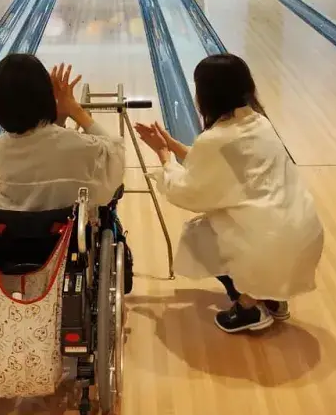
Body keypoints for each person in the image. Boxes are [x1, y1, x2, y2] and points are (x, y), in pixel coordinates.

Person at [135, 54, 325, 334]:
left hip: (270, 245)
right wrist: (173, 145)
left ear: (206, 96)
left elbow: (187, 192)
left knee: (199, 235)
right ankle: (271, 296)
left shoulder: (216, 139)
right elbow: (222, 166)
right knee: (245, 227)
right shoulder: (259, 123)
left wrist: (164, 156)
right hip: (305, 234)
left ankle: (249, 306)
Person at [0, 54, 125, 211]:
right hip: (71, 225)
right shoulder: (78, 146)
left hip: (12, 225)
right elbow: (116, 158)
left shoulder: (1, 149)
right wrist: (76, 110)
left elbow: (43, 149)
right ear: (45, 97)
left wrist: (58, 118)